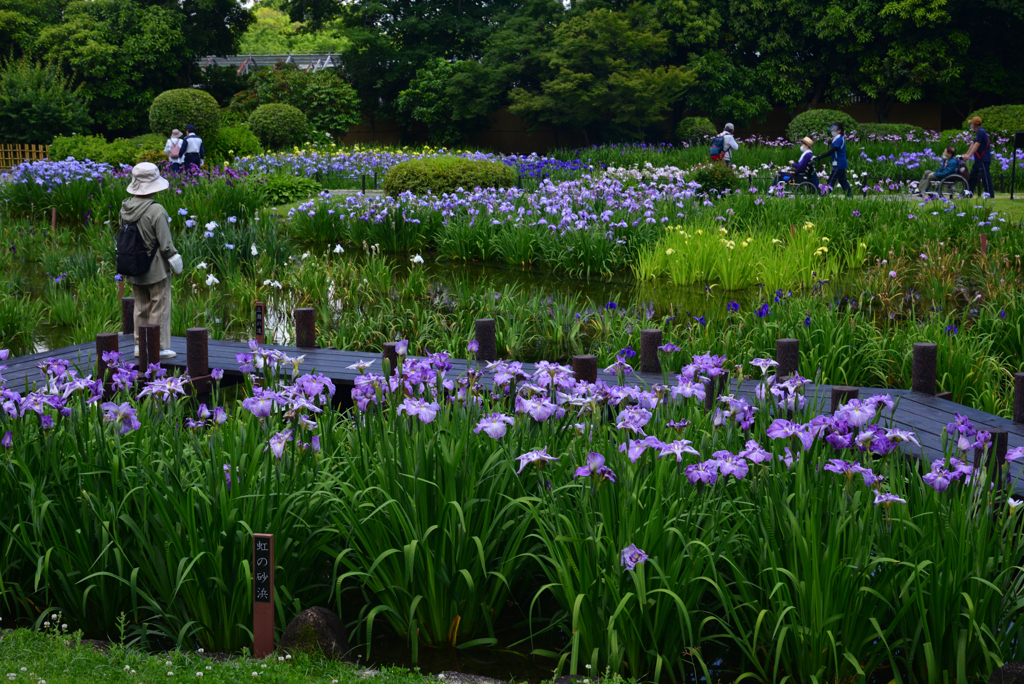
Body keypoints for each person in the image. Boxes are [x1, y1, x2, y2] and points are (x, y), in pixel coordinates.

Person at [120, 162, 183, 359]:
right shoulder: (157, 210)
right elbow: (165, 245)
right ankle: (159, 346)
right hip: (155, 267)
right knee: (160, 304)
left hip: (132, 265)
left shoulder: (125, 208)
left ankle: (140, 345)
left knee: (140, 306)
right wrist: (175, 261)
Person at [814, 123, 851, 197]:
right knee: (842, 180)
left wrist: (821, 156)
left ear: (839, 131)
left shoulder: (840, 139)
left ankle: (824, 195)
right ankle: (849, 195)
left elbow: (833, 150)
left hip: (839, 163)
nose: (832, 132)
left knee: (831, 179)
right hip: (839, 163)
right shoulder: (836, 139)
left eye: (834, 130)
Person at [961, 116, 994, 198]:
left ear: (974, 125)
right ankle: (968, 194)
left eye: (971, 123)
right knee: (973, 177)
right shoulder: (979, 132)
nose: (970, 125)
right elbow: (973, 143)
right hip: (978, 160)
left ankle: (989, 195)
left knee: (985, 178)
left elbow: (977, 144)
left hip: (983, 159)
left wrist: (969, 155)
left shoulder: (981, 132)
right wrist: (966, 154)